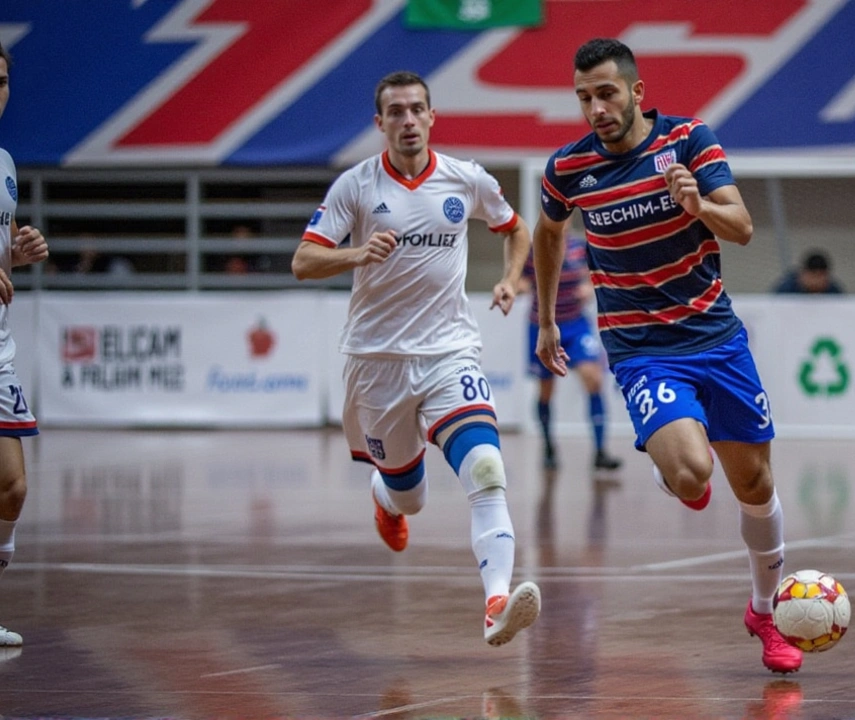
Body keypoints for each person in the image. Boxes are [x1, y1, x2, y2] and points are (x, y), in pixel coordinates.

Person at [532, 38, 803, 674]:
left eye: (606, 93)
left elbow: (740, 228)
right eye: (584, 97)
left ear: (636, 92)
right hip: (641, 348)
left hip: (715, 336)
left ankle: (764, 611)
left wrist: (697, 204)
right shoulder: (568, 169)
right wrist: (546, 318)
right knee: (690, 476)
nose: (596, 108)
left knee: (755, 484)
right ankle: (668, 450)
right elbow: (548, 231)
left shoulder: (688, 141)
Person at [291, 70, 539, 647]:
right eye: (395, 112)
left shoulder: (465, 179)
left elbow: (515, 227)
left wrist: (508, 279)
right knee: (412, 495)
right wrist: (355, 254)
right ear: (380, 123)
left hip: (450, 351)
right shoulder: (355, 187)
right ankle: (387, 496)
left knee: (485, 470)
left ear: (432, 117)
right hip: (376, 363)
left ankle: (496, 601)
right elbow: (303, 261)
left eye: (416, 110)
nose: (407, 120)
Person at [0, 40, 51, 650]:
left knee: (12, 485)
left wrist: (19, 251)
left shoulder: (6, 160)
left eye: (3, 80)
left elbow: (3, 241)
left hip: (0, 343)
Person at [516, 233, 622, 472]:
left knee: (593, 378)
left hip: (575, 324)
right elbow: (522, 279)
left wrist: (588, 286)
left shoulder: (580, 247)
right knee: (546, 390)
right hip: (542, 326)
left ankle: (600, 451)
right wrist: (515, 288)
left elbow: (594, 275)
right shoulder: (536, 248)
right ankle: (548, 446)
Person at [773, 249, 844, 294]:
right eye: (813, 276)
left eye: (820, 276)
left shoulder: (834, 291)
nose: (816, 282)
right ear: (803, 274)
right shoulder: (787, 290)